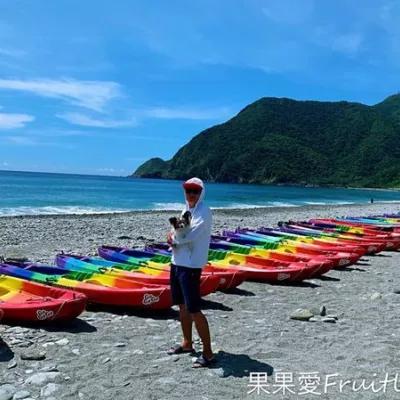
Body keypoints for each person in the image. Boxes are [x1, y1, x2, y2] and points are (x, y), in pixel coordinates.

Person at [166, 177, 216, 368]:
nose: (191, 194)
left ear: (201, 192)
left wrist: (173, 240)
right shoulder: (185, 209)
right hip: (177, 263)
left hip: (191, 266)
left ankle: (208, 353)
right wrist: (171, 236)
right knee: (181, 305)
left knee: (194, 309)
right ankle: (187, 343)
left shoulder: (204, 211)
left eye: (195, 191)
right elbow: (178, 231)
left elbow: (192, 234)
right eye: (188, 190)